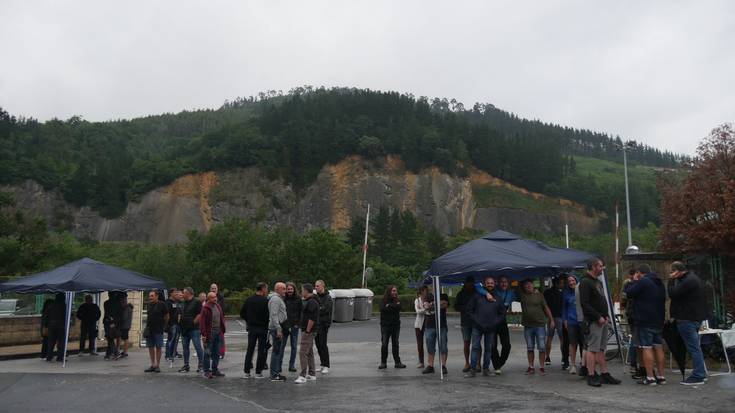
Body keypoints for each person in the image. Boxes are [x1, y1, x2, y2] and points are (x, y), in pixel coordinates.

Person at [579, 258, 621, 387]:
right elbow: (584, 303)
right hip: (593, 321)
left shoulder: (598, 282)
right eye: (600, 266)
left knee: (601, 349)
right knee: (592, 349)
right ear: (593, 267)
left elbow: (601, 301)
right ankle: (591, 375)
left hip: (603, 320)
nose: (602, 268)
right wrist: (597, 317)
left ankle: (604, 374)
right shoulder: (585, 282)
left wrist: (606, 316)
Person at [624, 264, 666, 386]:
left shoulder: (643, 281)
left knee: (646, 347)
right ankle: (661, 376)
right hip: (658, 319)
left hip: (645, 319)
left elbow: (629, 292)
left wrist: (634, 281)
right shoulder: (659, 282)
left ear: (639, 273)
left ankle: (650, 377)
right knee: (658, 347)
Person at [668, 261, 708, 386]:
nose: (672, 274)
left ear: (678, 271)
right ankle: (701, 372)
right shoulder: (693, 278)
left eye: (673, 271)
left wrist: (670, 281)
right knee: (695, 347)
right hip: (694, 317)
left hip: (687, 318)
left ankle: (698, 375)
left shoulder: (688, 281)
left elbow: (673, 294)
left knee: (693, 347)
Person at [464, 277, 505, 377]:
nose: (490, 284)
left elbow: (502, 313)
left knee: (488, 349)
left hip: (491, 328)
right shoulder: (476, 296)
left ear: (494, 284)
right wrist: (476, 320)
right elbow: (469, 310)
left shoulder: (498, 297)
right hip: (477, 327)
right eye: (488, 283)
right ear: (484, 284)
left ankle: (486, 370)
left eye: (491, 283)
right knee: (475, 348)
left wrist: (495, 322)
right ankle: (472, 370)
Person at [518, 279, 554, 375]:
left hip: (540, 325)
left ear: (533, 285)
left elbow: (546, 307)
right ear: (524, 287)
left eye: (530, 284)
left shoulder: (539, 295)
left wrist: (552, 320)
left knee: (542, 347)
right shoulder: (522, 295)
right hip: (528, 326)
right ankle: (531, 367)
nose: (528, 286)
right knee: (530, 347)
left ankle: (542, 367)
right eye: (526, 285)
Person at [241, 282, 270, 379]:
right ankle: (258, 372)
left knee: (250, 350)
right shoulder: (266, 301)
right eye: (266, 289)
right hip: (263, 328)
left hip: (252, 328)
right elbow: (268, 315)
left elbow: (242, 313)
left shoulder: (249, 300)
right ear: (262, 289)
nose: (267, 291)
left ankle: (247, 371)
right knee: (261, 350)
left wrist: (249, 320)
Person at [490, 276, 516, 375]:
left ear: (508, 283)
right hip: (492, 322)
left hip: (503, 323)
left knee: (507, 346)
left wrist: (535, 291)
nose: (504, 284)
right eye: (501, 282)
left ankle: (500, 363)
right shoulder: (493, 292)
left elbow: (523, 295)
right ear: (497, 283)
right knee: (492, 346)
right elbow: (479, 287)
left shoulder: (511, 293)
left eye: (505, 282)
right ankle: (497, 367)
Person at [295, 283, 319, 384]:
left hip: (308, 330)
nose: (301, 292)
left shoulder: (312, 302)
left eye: (302, 290)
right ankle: (312, 374)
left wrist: (307, 330)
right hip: (308, 330)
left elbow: (312, 318)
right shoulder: (309, 301)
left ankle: (303, 375)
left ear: (306, 291)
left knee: (302, 352)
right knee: (309, 352)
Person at [621, 268, 643, 377]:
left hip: (635, 314)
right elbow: (625, 297)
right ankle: (633, 363)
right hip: (633, 314)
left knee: (636, 340)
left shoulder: (638, 284)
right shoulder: (628, 284)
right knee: (635, 340)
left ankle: (635, 364)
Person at [544, 277, 569, 369]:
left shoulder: (547, 292)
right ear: (558, 283)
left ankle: (547, 357)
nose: (563, 284)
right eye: (562, 283)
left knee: (549, 338)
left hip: (550, 317)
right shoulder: (563, 293)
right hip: (560, 317)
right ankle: (563, 358)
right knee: (562, 339)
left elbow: (545, 305)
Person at [200, 291, 226, 378]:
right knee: (207, 353)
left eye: (215, 297)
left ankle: (215, 370)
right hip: (209, 333)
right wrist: (203, 335)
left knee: (216, 352)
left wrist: (222, 329)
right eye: (213, 297)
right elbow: (202, 323)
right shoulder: (205, 308)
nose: (215, 299)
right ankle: (206, 371)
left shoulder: (218, 306)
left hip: (218, 332)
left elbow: (221, 317)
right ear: (208, 298)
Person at [422, 290, 449, 375]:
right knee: (430, 346)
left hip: (442, 325)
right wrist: (437, 304)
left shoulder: (444, 295)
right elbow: (426, 306)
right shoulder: (427, 296)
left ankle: (443, 366)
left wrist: (432, 304)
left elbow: (444, 304)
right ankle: (430, 366)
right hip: (429, 325)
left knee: (443, 346)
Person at [379, 285, 405, 369]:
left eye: (396, 291)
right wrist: (393, 306)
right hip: (385, 326)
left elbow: (399, 307)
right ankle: (383, 362)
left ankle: (397, 362)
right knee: (384, 344)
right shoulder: (383, 300)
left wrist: (389, 306)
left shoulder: (397, 300)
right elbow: (382, 309)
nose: (395, 292)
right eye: (393, 291)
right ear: (389, 291)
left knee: (395, 344)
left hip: (395, 325)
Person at [562, 275, 584, 375]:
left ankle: (584, 364)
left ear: (576, 280)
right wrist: (565, 320)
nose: (571, 282)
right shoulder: (566, 294)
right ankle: (573, 365)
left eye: (573, 280)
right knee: (572, 343)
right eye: (569, 281)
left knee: (584, 344)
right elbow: (564, 308)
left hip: (582, 321)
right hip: (571, 322)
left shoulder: (582, 291)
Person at [455, 276, 477, 372]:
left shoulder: (477, 293)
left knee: (477, 344)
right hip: (465, 322)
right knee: (466, 342)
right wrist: (466, 308)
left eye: (471, 283)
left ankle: (478, 363)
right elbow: (456, 306)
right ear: (465, 284)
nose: (470, 285)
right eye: (468, 283)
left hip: (477, 322)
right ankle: (467, 363)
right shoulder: (460, 294)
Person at [179, 287, 204, 373]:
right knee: (185, 348)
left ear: (188, 293)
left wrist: (193, 323)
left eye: (184, 293)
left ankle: (201, 365)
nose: (182, 294)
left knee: (197, 347)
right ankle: (186, 365)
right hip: (184, 328)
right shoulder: (183, 302)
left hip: (194, 329)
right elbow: (181, 313)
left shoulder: (197, 302)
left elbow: (200, 314)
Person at [144, 290, 169, 373]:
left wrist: (164, 326)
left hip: (158, 329)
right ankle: (152, 364)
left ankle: (157, 365)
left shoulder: (162, 304)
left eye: (152, 296)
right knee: (150, 347)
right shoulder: (149, 305)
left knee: (158, 347)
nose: (150, 297)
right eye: (150, 296)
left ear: (157, 296)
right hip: (150, 329)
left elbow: (167, 316)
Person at [269, 282, 289, 381]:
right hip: (277, 328)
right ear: (277, 289)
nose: (285, 291)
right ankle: (274, 374)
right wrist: (278, 329)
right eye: (283, 289)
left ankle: (275, 372)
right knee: (276, 351)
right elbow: (274, 314)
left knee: (277, 351)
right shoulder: (276, 299)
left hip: (278, 327)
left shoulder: (277, 298)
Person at [314, 279, 333, 374]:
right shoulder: (315, 297)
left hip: (324, 324)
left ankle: (326, 365)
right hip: (316, 325)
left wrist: (318, 309)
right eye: (315, 286)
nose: (316, 287)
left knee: (323, 345)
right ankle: (322, 364)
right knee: (318, 345)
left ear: (323, 286)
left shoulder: (328, 298)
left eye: (317, 286)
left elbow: (324, 310)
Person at [284, 282, 302, 373]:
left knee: (294, 347)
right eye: (288, 289)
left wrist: (297, 324)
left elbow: (301, 312)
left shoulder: (298, 299)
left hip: (294, 326)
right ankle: (278, 366)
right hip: (285, 326)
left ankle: (292, 365)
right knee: (281, 346)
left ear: (294, 289)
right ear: (286, 290)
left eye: (291, 289)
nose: (290, 290)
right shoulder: (283, 299)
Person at [45, 293, 67, 362]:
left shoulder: (50, 306)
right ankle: (60, 357)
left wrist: (47, 325)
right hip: (61, 325)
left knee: (51, 342)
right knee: (61, 342)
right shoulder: (64, 306)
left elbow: (47, 316)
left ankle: (49, 357)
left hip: (51, 325)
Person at [103, 292, 122, 360]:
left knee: (109, 338)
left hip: (109, 322)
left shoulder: (107, 303)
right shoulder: (118, 303)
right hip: (114, 323)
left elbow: (108, 313)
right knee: (109, 337)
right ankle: (108, 354)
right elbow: (119, 315)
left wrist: (112, 322)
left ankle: (115, 353)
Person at [164, 289, 182, 362]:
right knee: (170, 340)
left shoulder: (177, 302)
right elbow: (166, 314)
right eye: (175, 292)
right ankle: (167, 355)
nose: (176, 294)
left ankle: (173, 354)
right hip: (171, 324)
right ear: (171, 293)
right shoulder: (168, 302)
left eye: (177, 292)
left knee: (175, 340)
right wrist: (166, 324)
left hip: (177, 324)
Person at [414, 286, 428, 369]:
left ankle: (430, 362)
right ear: (421, 291)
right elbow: (418, 311)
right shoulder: (417, 300)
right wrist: (425, 309)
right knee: (420, 344)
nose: (427, 292)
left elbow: (431, 309)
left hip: (428, 323)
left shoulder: (428, 300)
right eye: (426, 291)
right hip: (418, 325)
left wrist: (423, 309)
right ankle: (421, 362)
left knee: (429, 342)